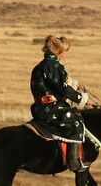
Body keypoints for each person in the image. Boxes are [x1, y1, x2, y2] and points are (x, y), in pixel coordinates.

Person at [30, 34, 95, 172]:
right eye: (63, 51)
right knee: (77, 122)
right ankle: (73, 163)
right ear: (58, 52)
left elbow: (59, 85)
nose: (64, 53)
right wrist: (82, 99)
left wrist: (75, 87)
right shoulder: (53, 66)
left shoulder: (40, 66)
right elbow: (62, 88)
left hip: (40, 107)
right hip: (50, 108)